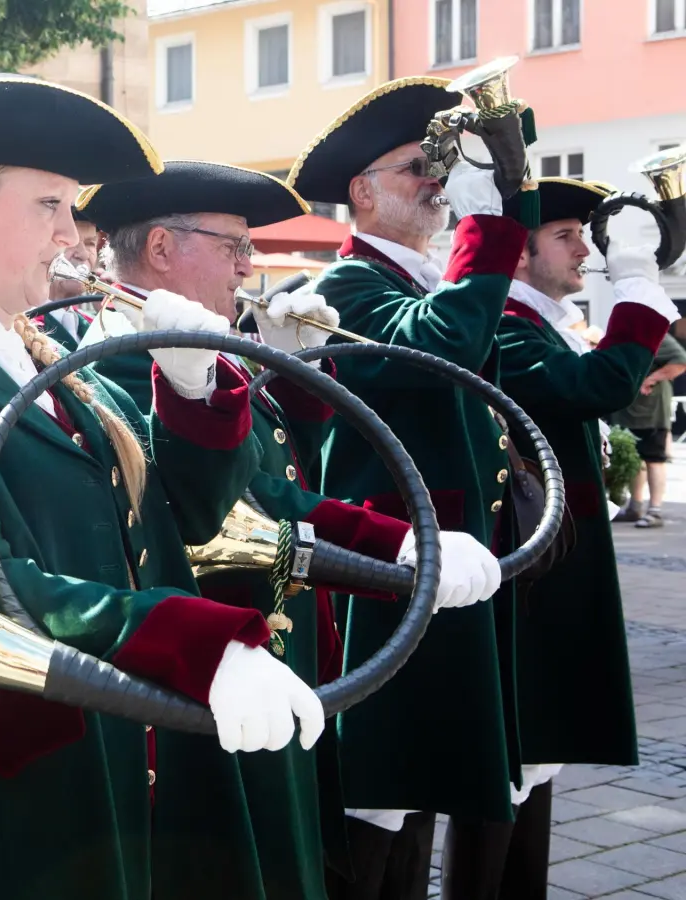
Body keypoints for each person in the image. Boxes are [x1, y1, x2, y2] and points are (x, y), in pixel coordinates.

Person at [0, 73, 325, 900]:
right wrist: (196, 642)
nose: (73, 235)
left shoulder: (61, 370)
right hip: (8, 791)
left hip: (112, 748)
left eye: (70, 209)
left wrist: (194, 389)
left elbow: (187, 517)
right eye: (50, 206)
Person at [78, 161, 499, 900]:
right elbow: (244, 498)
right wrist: (395, 541)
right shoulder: (117, 359)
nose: (248, 266)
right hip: (208, 664)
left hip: (272, 637)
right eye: (233, 245)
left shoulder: (200, 344)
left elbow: (282, 465)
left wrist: (295, 378)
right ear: (162, 249)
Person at [288, 76, 538, 899]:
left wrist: (507, 184)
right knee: (382, 788)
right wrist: (487, 229)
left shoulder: (419, 279)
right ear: (362, 193)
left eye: (440, 166)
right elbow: (441, 349)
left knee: (424, 780)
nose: (436, 182)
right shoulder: (342, 287)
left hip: (444, 554)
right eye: (416, 168)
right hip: (390, 568)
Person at [490, 177, 681, 894]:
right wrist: (635, 285)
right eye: (565, 236)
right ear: (519, 254)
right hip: (532, 567)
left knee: (540, 759)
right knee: (518, 758)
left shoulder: (539, 321)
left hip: (557, 556)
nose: (583, 251)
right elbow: (596, 387)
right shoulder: (506, 321)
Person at [612, 332, 686, 527]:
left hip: (652, 411)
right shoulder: (625, 333)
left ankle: (655, 510)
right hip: (628, 410)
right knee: (635, 459)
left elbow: (681, 361)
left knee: (654, 459)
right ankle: (635, 507)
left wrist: (650, 379)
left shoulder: (657, 333)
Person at [34, 205, 103, 351]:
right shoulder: (21, 325)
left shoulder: (95, 326)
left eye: (90, 243)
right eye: (70, 243)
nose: (84, 254)